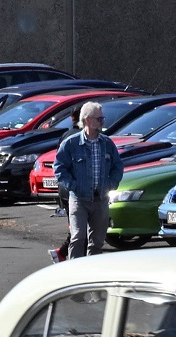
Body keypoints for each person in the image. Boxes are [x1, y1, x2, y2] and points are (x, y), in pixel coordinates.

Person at [55, 101, 123, 259]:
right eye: (99, 119)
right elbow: (59, 167)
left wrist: (111, 184)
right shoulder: (71, 143)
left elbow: (118, 166)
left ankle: (92, 273)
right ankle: (74, 273)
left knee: (97, 242)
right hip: (79, 199)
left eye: (102, 118)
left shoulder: (106, 143)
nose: (102, 122)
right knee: (78, 237)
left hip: (101, 200)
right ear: (87, 120)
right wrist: (73, 185)